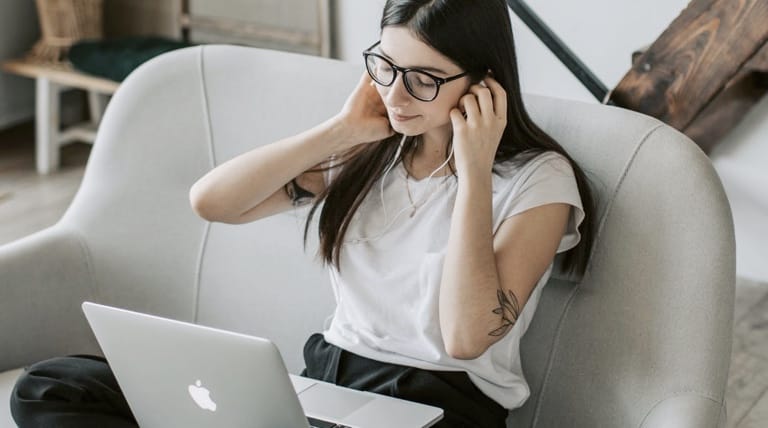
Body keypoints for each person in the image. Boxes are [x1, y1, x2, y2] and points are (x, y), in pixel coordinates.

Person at [10, 0, 594, 427]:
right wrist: (342, 129)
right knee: (52, 386)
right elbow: (213, 202)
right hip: (325, 384)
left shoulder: (538, 180)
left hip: (441, 406)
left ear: (483, 85)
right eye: (384, 66)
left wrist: (472, 169)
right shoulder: (370, 155)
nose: (394, 95)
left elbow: (466, 338)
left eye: (423, 80)